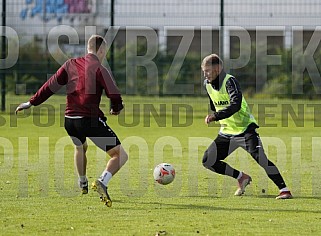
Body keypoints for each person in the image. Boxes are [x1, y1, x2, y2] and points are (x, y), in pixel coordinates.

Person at [15, 35, 128, 207]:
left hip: (69, 121)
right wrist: (116, 107)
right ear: (101, 50)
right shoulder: (99, 68)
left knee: (80, 147)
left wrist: (31, 102)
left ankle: (82, 182)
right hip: (88, 120)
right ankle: (102, 182)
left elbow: (50, 85)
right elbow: (114, 93)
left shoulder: (70, 64)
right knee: (120, 155)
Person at [201, 54, 292, 199]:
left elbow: (235, 105)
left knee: (260, 158)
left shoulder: (230, 81)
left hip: (245, 129)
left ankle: (284, 190)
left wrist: (215, 116)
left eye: (207, 70)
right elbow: (214, 105)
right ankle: (241, 177)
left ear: (217, 68)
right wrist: (214, 114)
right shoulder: (207, 85)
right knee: (208, 161)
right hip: (227, 132)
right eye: (203, 71)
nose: (205, 74)